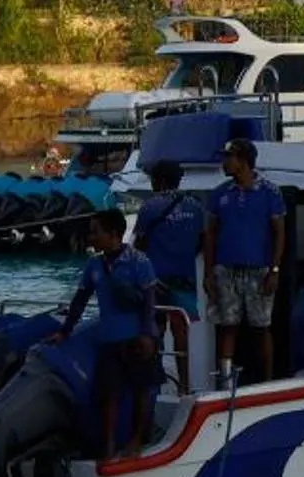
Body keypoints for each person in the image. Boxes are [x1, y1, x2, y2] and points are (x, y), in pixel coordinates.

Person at [61, 209, 159, 458]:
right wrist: (65, 331)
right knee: (108, 394)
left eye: (96, 232)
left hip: (136, 337)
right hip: (109, 338)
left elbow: (149, 301)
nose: (90, 237)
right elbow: (80, 299)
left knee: (140, 390)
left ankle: (136, 440)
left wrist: (147, 334)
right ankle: (108, 445)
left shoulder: (139, 261)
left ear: (114, 234)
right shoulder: (94, 265)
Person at [204, 138, 287, 388]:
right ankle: (226, 384)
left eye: (229, 158)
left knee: (261, 327)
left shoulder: (270, 192)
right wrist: (208, 274)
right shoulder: (220, 194)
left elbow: (279, 233)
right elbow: (210, 234)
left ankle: (267, 382)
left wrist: (274, 269)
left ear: (243, 161)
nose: (224, 163)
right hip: (225, 269)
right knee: (227, 325)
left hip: (259, 269)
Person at [132, 159, 210, 391]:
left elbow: (139, 245)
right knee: (181, 333)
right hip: (184, 279)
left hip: (155, 281)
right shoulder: (195, 206)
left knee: (154, 331)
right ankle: (184, 386)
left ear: (160, 180)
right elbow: (202, 241)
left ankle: (153, 384)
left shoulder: (149, 207)